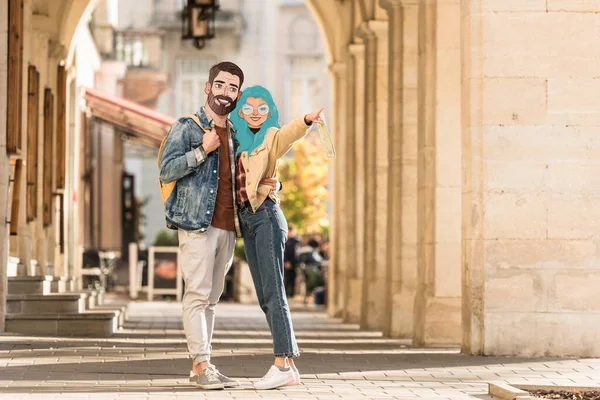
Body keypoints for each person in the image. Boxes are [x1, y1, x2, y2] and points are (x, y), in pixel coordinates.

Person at [159, 62, 277, 390]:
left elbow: (244, 177)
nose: (225, 93)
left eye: (233, 88)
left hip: (228, 226)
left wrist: (269, 185)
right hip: (197, 224)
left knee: (211, 298)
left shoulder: (238, 134)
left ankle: (204, 364)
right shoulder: (188, 126)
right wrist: (201, 151)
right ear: (208, 87)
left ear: (238, 94)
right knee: (197, 293)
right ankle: (201, 363)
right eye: (220, 85)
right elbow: (167, 171)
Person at [230, 85, 324, 390]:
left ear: (269, 111)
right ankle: (286, 365)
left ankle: (284, 362)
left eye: (262, 108)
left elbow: (288, 134)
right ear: (240, 111)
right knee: (264, 295)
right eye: (248, 108)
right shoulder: (235, 144)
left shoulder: (269, 137)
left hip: (267, 218)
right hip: (248, 221)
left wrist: (307, 120)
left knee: (273, 293)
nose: (255, 114)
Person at [284, 226, 300, 298]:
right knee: (286, 279)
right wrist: (286, 261)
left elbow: (297, 253)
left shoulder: (296, 241)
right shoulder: (285, 241)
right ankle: (286, 294)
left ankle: (292, 294)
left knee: (293, 279)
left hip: (294, 263)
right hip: (287, 263)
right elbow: (284, 252)